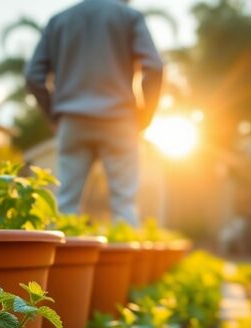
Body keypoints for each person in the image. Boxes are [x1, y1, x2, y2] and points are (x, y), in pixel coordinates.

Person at [25, 0, 164, 227]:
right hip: (120, 120)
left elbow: (33, 76)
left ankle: (62, 261)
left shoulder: (59, 21)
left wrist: (54, 116)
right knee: (124, 204)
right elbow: (155, 67)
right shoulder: (129, 17)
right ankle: (123, 260)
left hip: (72, 120)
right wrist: (144, 117)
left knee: (66, 203)